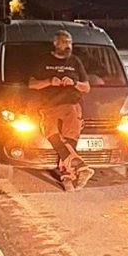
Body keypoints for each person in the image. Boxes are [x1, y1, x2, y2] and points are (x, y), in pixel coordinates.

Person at [27, 30, 94, 190]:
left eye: (70, 42)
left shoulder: (75, 61)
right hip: (48, 105)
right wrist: (50, 81)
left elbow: (86, 88)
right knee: (51, 133)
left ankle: (68, 177)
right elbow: (31, 84)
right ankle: (80, 167)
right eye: (64, 42)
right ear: (55, 43)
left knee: (70, 140)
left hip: (71, 105)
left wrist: (73, 83)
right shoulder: (43, 60)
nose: (68, 46)